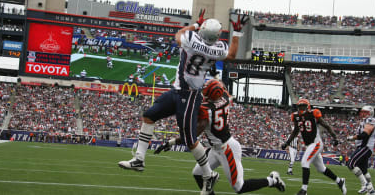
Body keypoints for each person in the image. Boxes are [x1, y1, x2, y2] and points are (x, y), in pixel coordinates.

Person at [118, 10, 248, 195]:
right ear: (217, 35)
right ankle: (139, 159)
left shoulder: (191, 38)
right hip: (178, 90)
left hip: (189, 95)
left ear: (202, 30)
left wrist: (195, 24)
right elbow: (232, 54)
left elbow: (178, 35)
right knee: (148, 116)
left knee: (189, 139)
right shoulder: (217, 48)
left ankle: (208, 175)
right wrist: (237, 33)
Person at [154, 79, 286, 194]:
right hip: (215, 148)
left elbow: (191, 136)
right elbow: (220, 88)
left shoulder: (206, 111)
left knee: (239, 187)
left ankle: (272, 180)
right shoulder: (225, 97)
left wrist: (170, 143)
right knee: (198, 173)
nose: (203, 95)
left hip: (227, 149)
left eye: (206, 93)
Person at [281, 99, 347, 195]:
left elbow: (326, 125)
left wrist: (335, 138)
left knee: (305, 162)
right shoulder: (296, 116)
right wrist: (287, 143)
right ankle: (339, 181)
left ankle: (304, 190)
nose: (301, 109)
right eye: (300, 107)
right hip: (310, 145)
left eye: (303, 106)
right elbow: (296, 131)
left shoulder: (313, 114)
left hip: (316, 143)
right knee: (321, 168)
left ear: (308, 107)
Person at [346, 105, 375, 195]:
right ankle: (372, 191)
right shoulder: (365, 121)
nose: (362, 113)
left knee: (351, 164)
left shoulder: (370, 120)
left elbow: (365, 134)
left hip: (365, 147)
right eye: (362, 111)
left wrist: (352, 138)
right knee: (363, 170)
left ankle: (365, 185)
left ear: (369, 113)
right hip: (363, 147)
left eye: (364, 112)